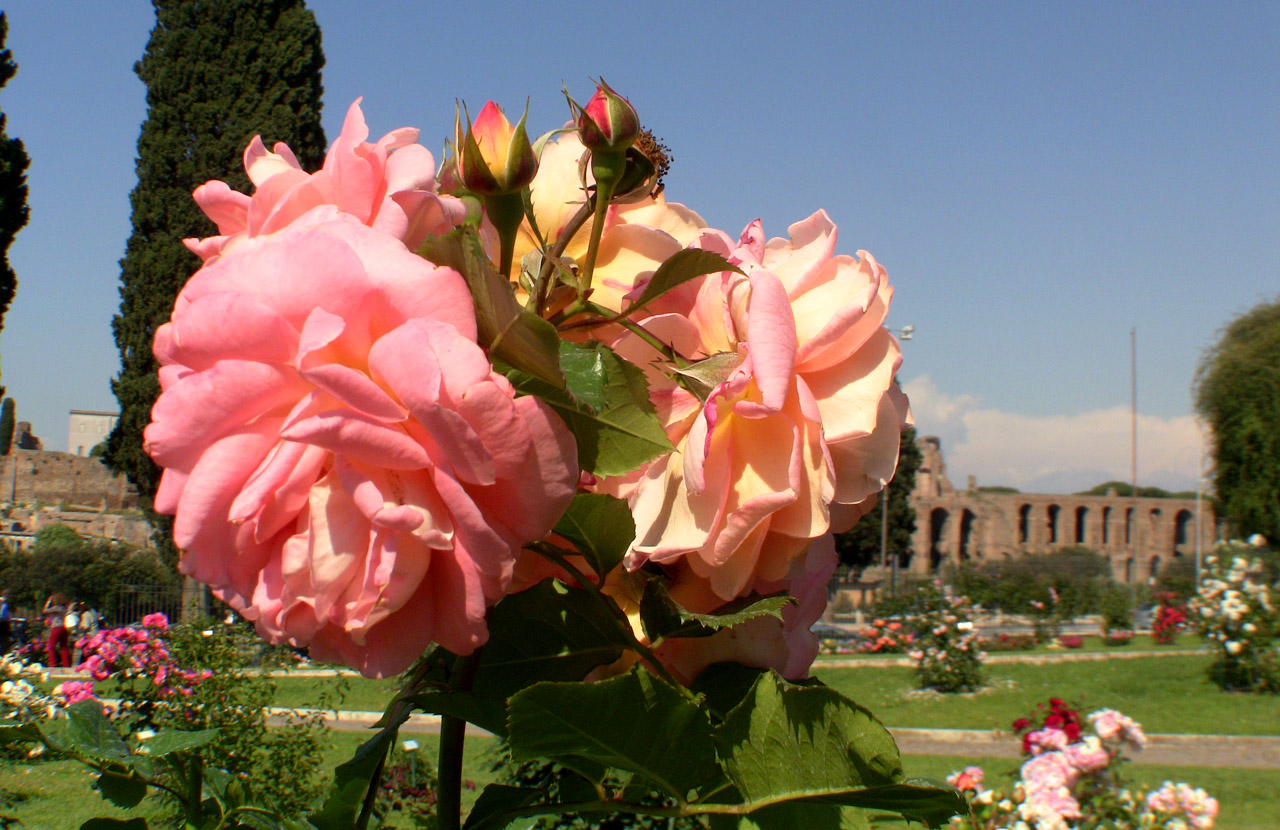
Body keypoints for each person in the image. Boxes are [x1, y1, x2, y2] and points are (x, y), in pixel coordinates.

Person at [42, 593, 70, 668]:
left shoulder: (56, 608)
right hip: (64, 627)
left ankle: (53, 664)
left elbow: (44, 611)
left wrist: (48, 601)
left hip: (56, 627)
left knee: (50, 646)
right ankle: (66, 664)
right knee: (64, 647)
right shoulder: (64, 608)